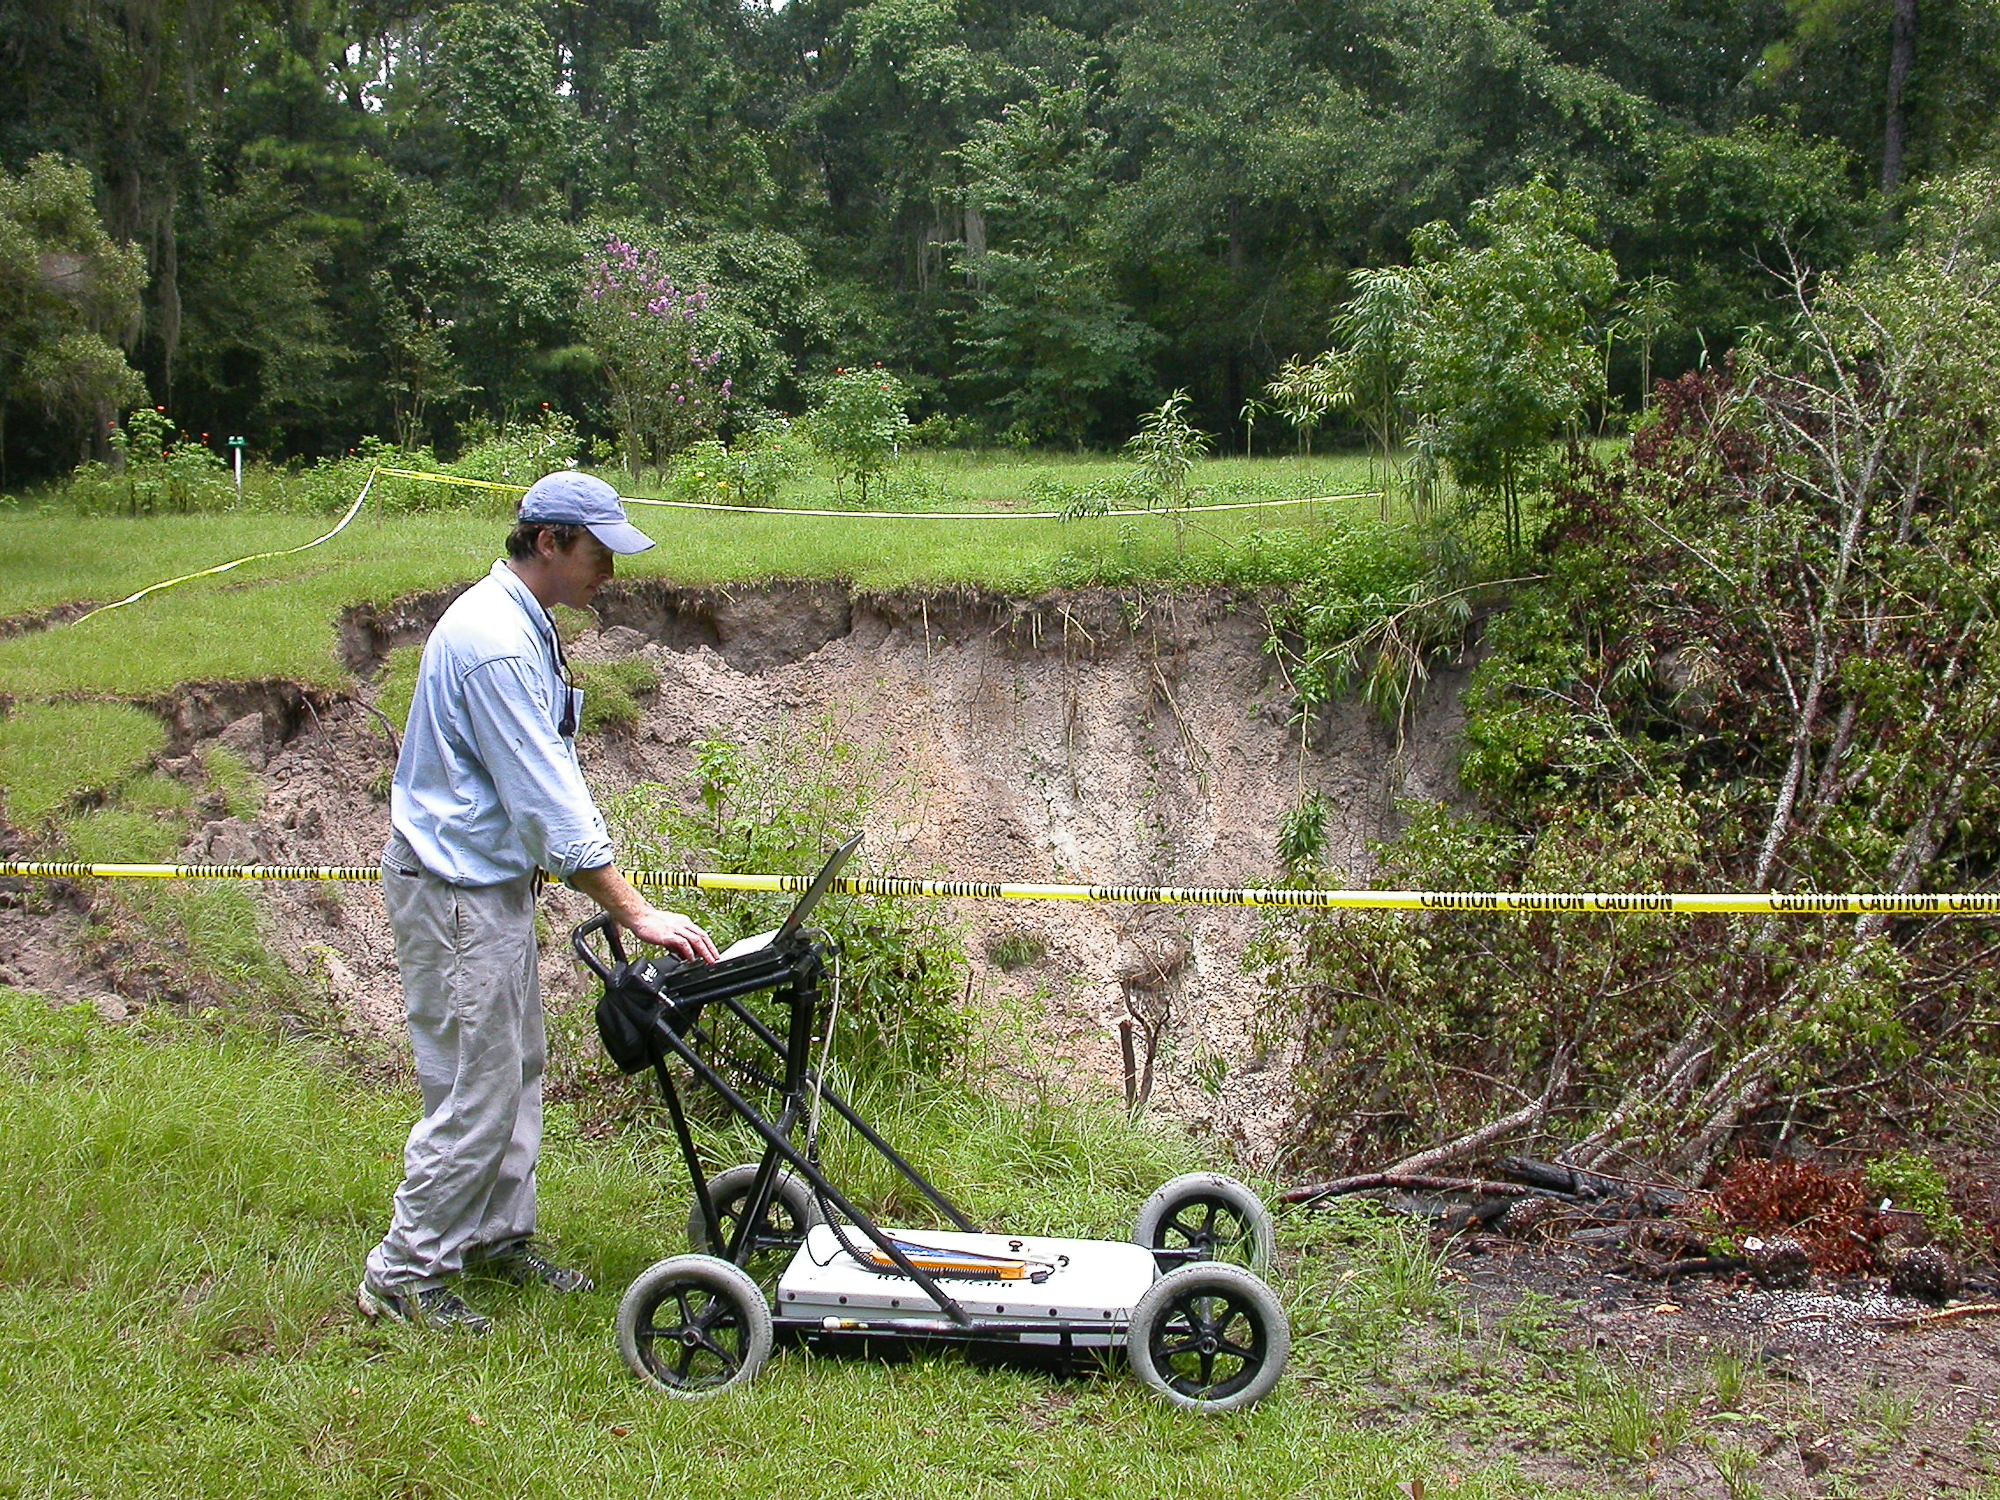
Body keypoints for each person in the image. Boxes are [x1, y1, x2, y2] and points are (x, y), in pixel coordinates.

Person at [359, 471, 718, 1332]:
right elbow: (545, 799)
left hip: (486, 886)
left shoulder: (525, 625)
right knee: (476, 1086)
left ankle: (491, 1238)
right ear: (550, 541)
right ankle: (404, 1273)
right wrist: (635, 910)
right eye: (600, 553)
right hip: (454, 893)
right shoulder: (495, 642)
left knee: (517, 1068)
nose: (610, 572)